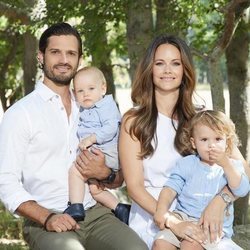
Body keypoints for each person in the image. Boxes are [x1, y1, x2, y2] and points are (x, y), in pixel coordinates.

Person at [0, 22, 148, 250]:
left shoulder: (92, 107)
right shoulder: (21, 114)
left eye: (71, 53)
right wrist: (47, 217)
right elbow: (5, 182)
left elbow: (118, 178)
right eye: (55, 52)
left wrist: (105, 173)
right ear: (40, 57)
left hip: (97, 212)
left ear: (79, 59)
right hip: (47, 218)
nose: (63, 60)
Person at [118, 34, 250, 249]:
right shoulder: (134, 120)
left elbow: (244, 170)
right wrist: (172, 221)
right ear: (150, 69)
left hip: (201, 215)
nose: (168, 70)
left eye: (175, 63)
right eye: (160, 63)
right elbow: (134, 187)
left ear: (185, 69)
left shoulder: (202, 118)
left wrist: (220, 201)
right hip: (154, 217)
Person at [153, 110, 249, 250]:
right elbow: (170, 189)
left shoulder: (232, 166)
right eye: (204, 140)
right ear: (194, 143)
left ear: (227, 142)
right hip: (182, 218)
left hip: (211, 226)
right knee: (160, 243)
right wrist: (162, 210)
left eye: (218, 139)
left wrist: (226, 164)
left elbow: (242, 189)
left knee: (189, 246)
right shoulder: (187, 163)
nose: (211, 145)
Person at [63, 66, 130, 224]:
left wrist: (91, 139)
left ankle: (76, 206)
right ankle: (120, 209)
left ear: (103, 88)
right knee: (95, 189)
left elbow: (111, 127)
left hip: (106, 151)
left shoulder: (106, 105)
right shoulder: (85, 108)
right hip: (101, 151)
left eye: (91, 88)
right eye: (80, 91)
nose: (85, 94)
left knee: (75, 171)